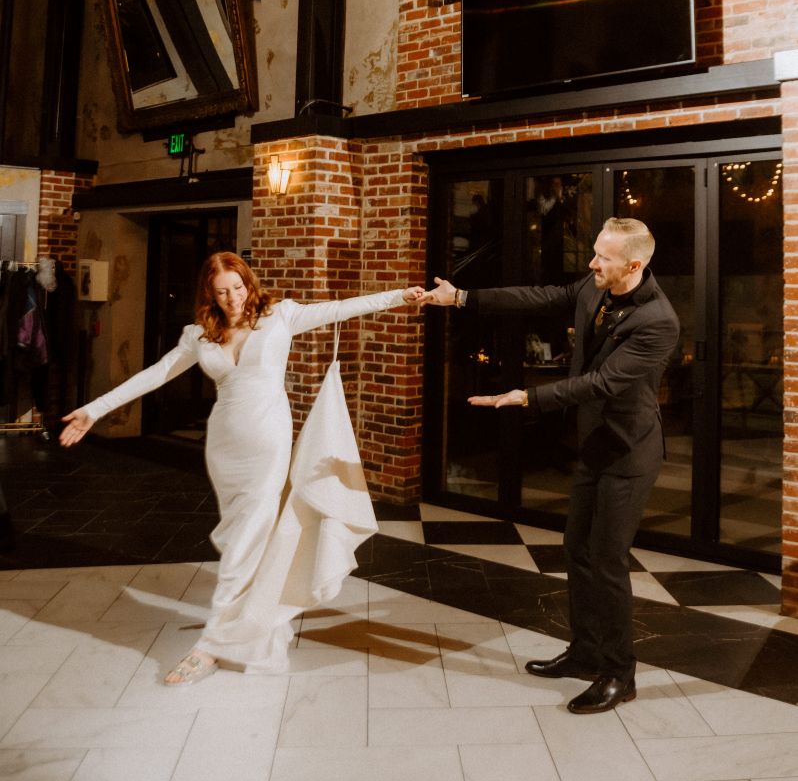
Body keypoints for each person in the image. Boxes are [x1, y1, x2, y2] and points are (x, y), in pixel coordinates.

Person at [61, 251, 424, 685]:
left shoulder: (281, 316)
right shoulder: (199, 334)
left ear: (249, 283)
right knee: (241, 539)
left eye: (238, 287)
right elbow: (156, 374)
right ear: (209, 295)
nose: (233, 298)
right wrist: (94, 409)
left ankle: (211, 647)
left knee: (245, 543)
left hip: (268, 442)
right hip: (225, 446)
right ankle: (254, 619)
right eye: (222, 291)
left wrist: (402, 295)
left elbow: (342, 308)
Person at [422, 216, 679, 714]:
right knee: (577, 550)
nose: (592, 263)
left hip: (628, 454)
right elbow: (541, 297)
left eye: (603, 257)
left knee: (607, 561)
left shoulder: (658, 320)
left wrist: (526, 397)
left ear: (634, 264)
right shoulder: (594, 285)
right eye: (595, 252)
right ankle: (585, 652)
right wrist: (462, 299)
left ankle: (618, 673)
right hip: (592, 445)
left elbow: (601, 383)